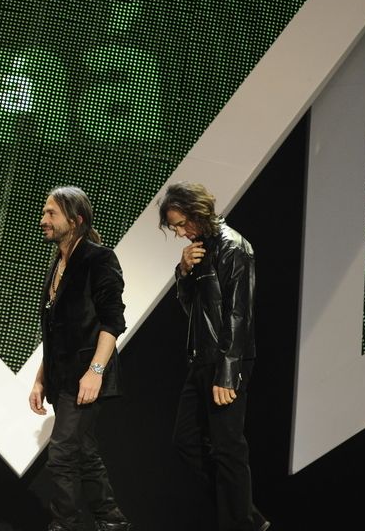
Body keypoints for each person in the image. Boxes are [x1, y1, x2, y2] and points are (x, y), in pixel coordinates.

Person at [158, 182, 269, 531]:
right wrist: (183, 274)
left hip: (227, 361)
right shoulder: (198, 250)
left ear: (197, 212)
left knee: (228, 448)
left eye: (180, 224)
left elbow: (240, 315)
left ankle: (239, 523)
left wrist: (227, 372)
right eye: (174, 227)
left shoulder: (235, 248)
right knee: (186, 441)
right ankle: (247, 517)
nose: (179, 233)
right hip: (200, 360)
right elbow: (192, 308)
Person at [28, 186, 132, 531]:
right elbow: (55, 331)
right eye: (44, 212)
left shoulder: (98, 259)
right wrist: (41, 378)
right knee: (85, 454)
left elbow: (112, 321)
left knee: (61, 455)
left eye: (51, 214)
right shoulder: (57, 262)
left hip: (86, 376)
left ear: (76, 220)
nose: (43, 220)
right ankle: (112, 522)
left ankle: (65, 524)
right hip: (61, 377)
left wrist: (96, 371)